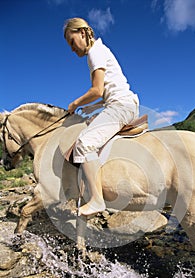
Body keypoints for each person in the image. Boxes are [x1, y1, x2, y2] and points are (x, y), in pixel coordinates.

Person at [64, 17, 139, 216]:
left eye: (72, 42)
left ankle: (97, 200)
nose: (72, 49)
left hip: (121, 106)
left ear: (83, 33)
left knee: (84, 143)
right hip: (119, 103)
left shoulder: (94, 52)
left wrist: (76, 104)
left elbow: (97, 89)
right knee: (89, 126)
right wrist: (94, 107)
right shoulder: (100, 50)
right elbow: (106, 91)